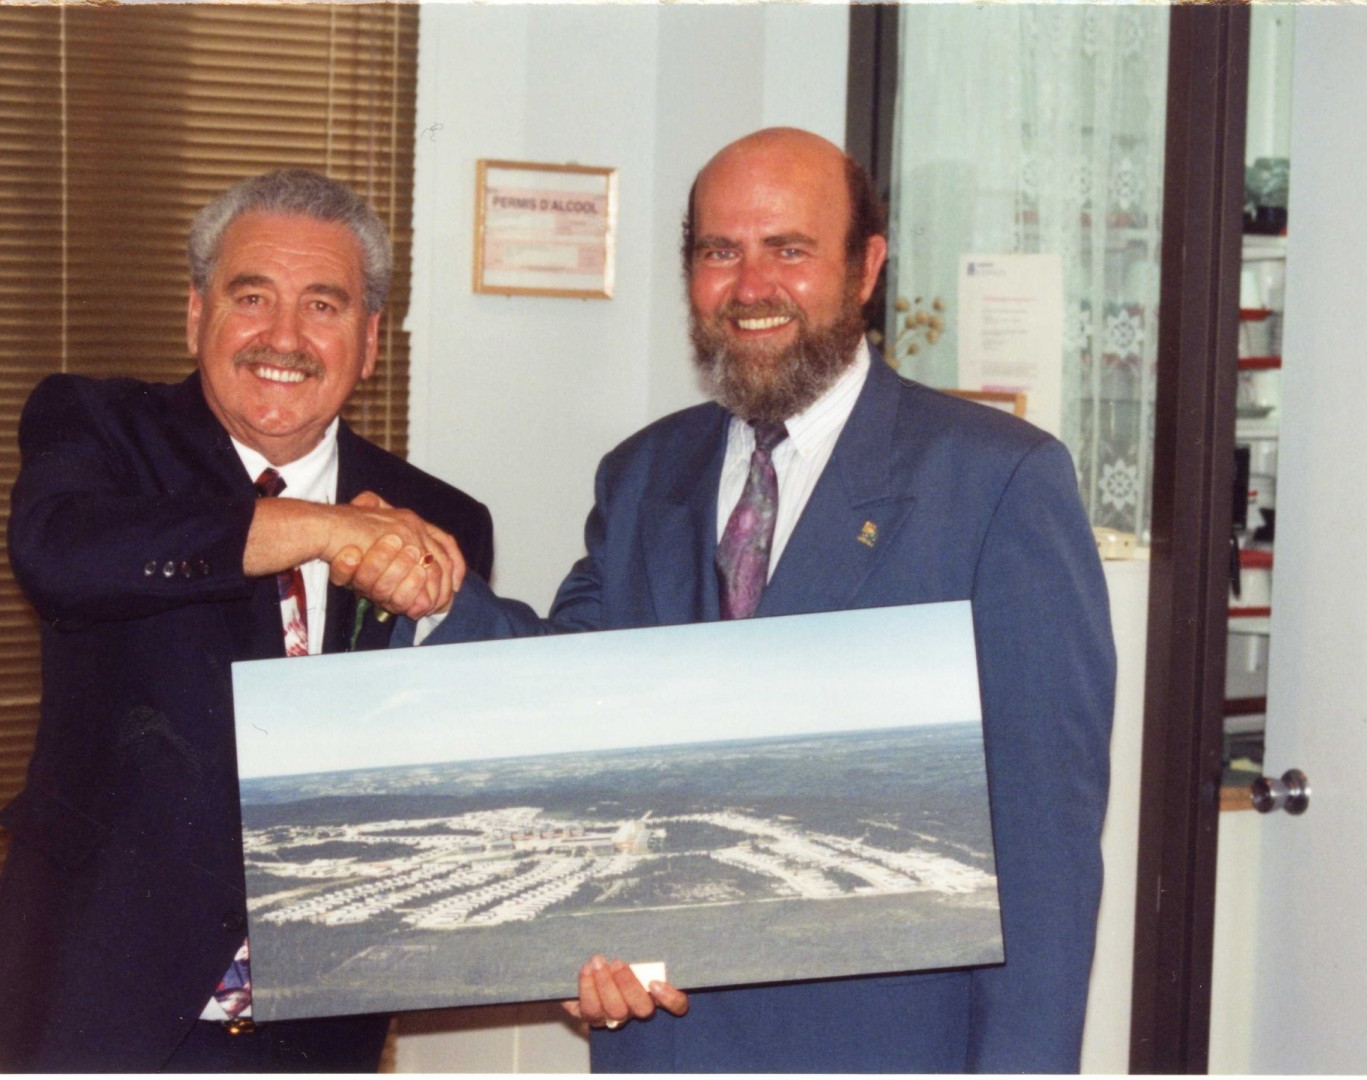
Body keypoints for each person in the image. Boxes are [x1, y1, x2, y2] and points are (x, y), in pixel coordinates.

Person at [347, 128, 1114, 1072]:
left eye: (789, 249)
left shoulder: (996, 482)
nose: (751, 287)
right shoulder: (643, 474)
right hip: (662, 1044)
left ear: (866, 268)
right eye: (720, 251)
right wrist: (437, 597)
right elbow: (563, 694)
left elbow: (1045, 857)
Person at [0, 169, 494, 1072]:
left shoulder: (440, 520)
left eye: (322, 305)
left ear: (369, 341)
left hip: (320, 1036)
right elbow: (58, 551)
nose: (283, 337)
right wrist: (321, 528)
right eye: (252, 297)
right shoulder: (99, 430)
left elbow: (453, 772)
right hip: (91, 1017)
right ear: (195, 314)